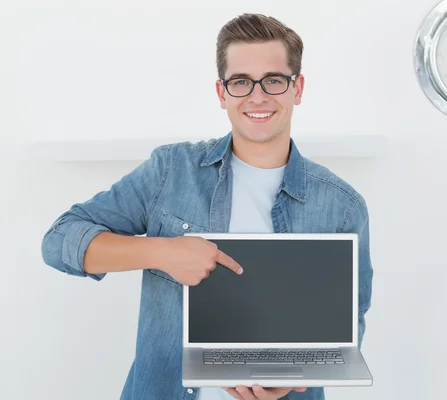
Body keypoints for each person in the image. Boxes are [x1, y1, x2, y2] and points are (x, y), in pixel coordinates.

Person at [41, 13, 373, 400]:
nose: (257, 95)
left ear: (297, 89)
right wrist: (160, 251)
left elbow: (349, 322)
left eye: (274, 80)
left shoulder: (342, 205)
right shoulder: (171, 170)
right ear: (222, 93)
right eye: (240, 82)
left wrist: (295, 378)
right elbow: (59, 240)